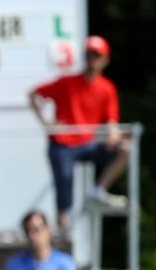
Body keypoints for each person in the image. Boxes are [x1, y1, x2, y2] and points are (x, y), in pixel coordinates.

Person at [28, 34, 131, 234]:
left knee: (125, 148)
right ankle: (64, 238)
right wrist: (46, 123)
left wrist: (113, 134)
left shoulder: (106, 89)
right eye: (89, 55)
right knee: (64, 188)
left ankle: (98, 191)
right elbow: (34, 94)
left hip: (86, 144)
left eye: (96, 56)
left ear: (105, 61)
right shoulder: (67, 83)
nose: (92, 61)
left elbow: (111, 121)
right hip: (63, 144)